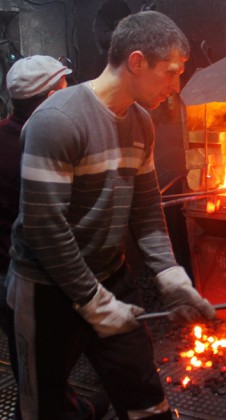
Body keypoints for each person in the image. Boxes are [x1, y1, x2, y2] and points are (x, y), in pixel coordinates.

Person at [6, 11, 216, 420]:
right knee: (42, 408)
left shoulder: (141, 123)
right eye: (171, 73)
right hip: (45, 290)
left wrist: (171, 277)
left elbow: (147, 210)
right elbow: (45, 228)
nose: (177, 86)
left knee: (146, 400)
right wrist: (93, 302)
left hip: (110, 277)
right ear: (136, 62)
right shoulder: (58, 121)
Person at [0, 55, 110, 419]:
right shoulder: (44, 146)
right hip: (34, 276)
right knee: (41, 363)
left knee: (32, 360)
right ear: (49, 98)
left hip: (6, 273)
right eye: (63, 90)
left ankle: (64, 404)